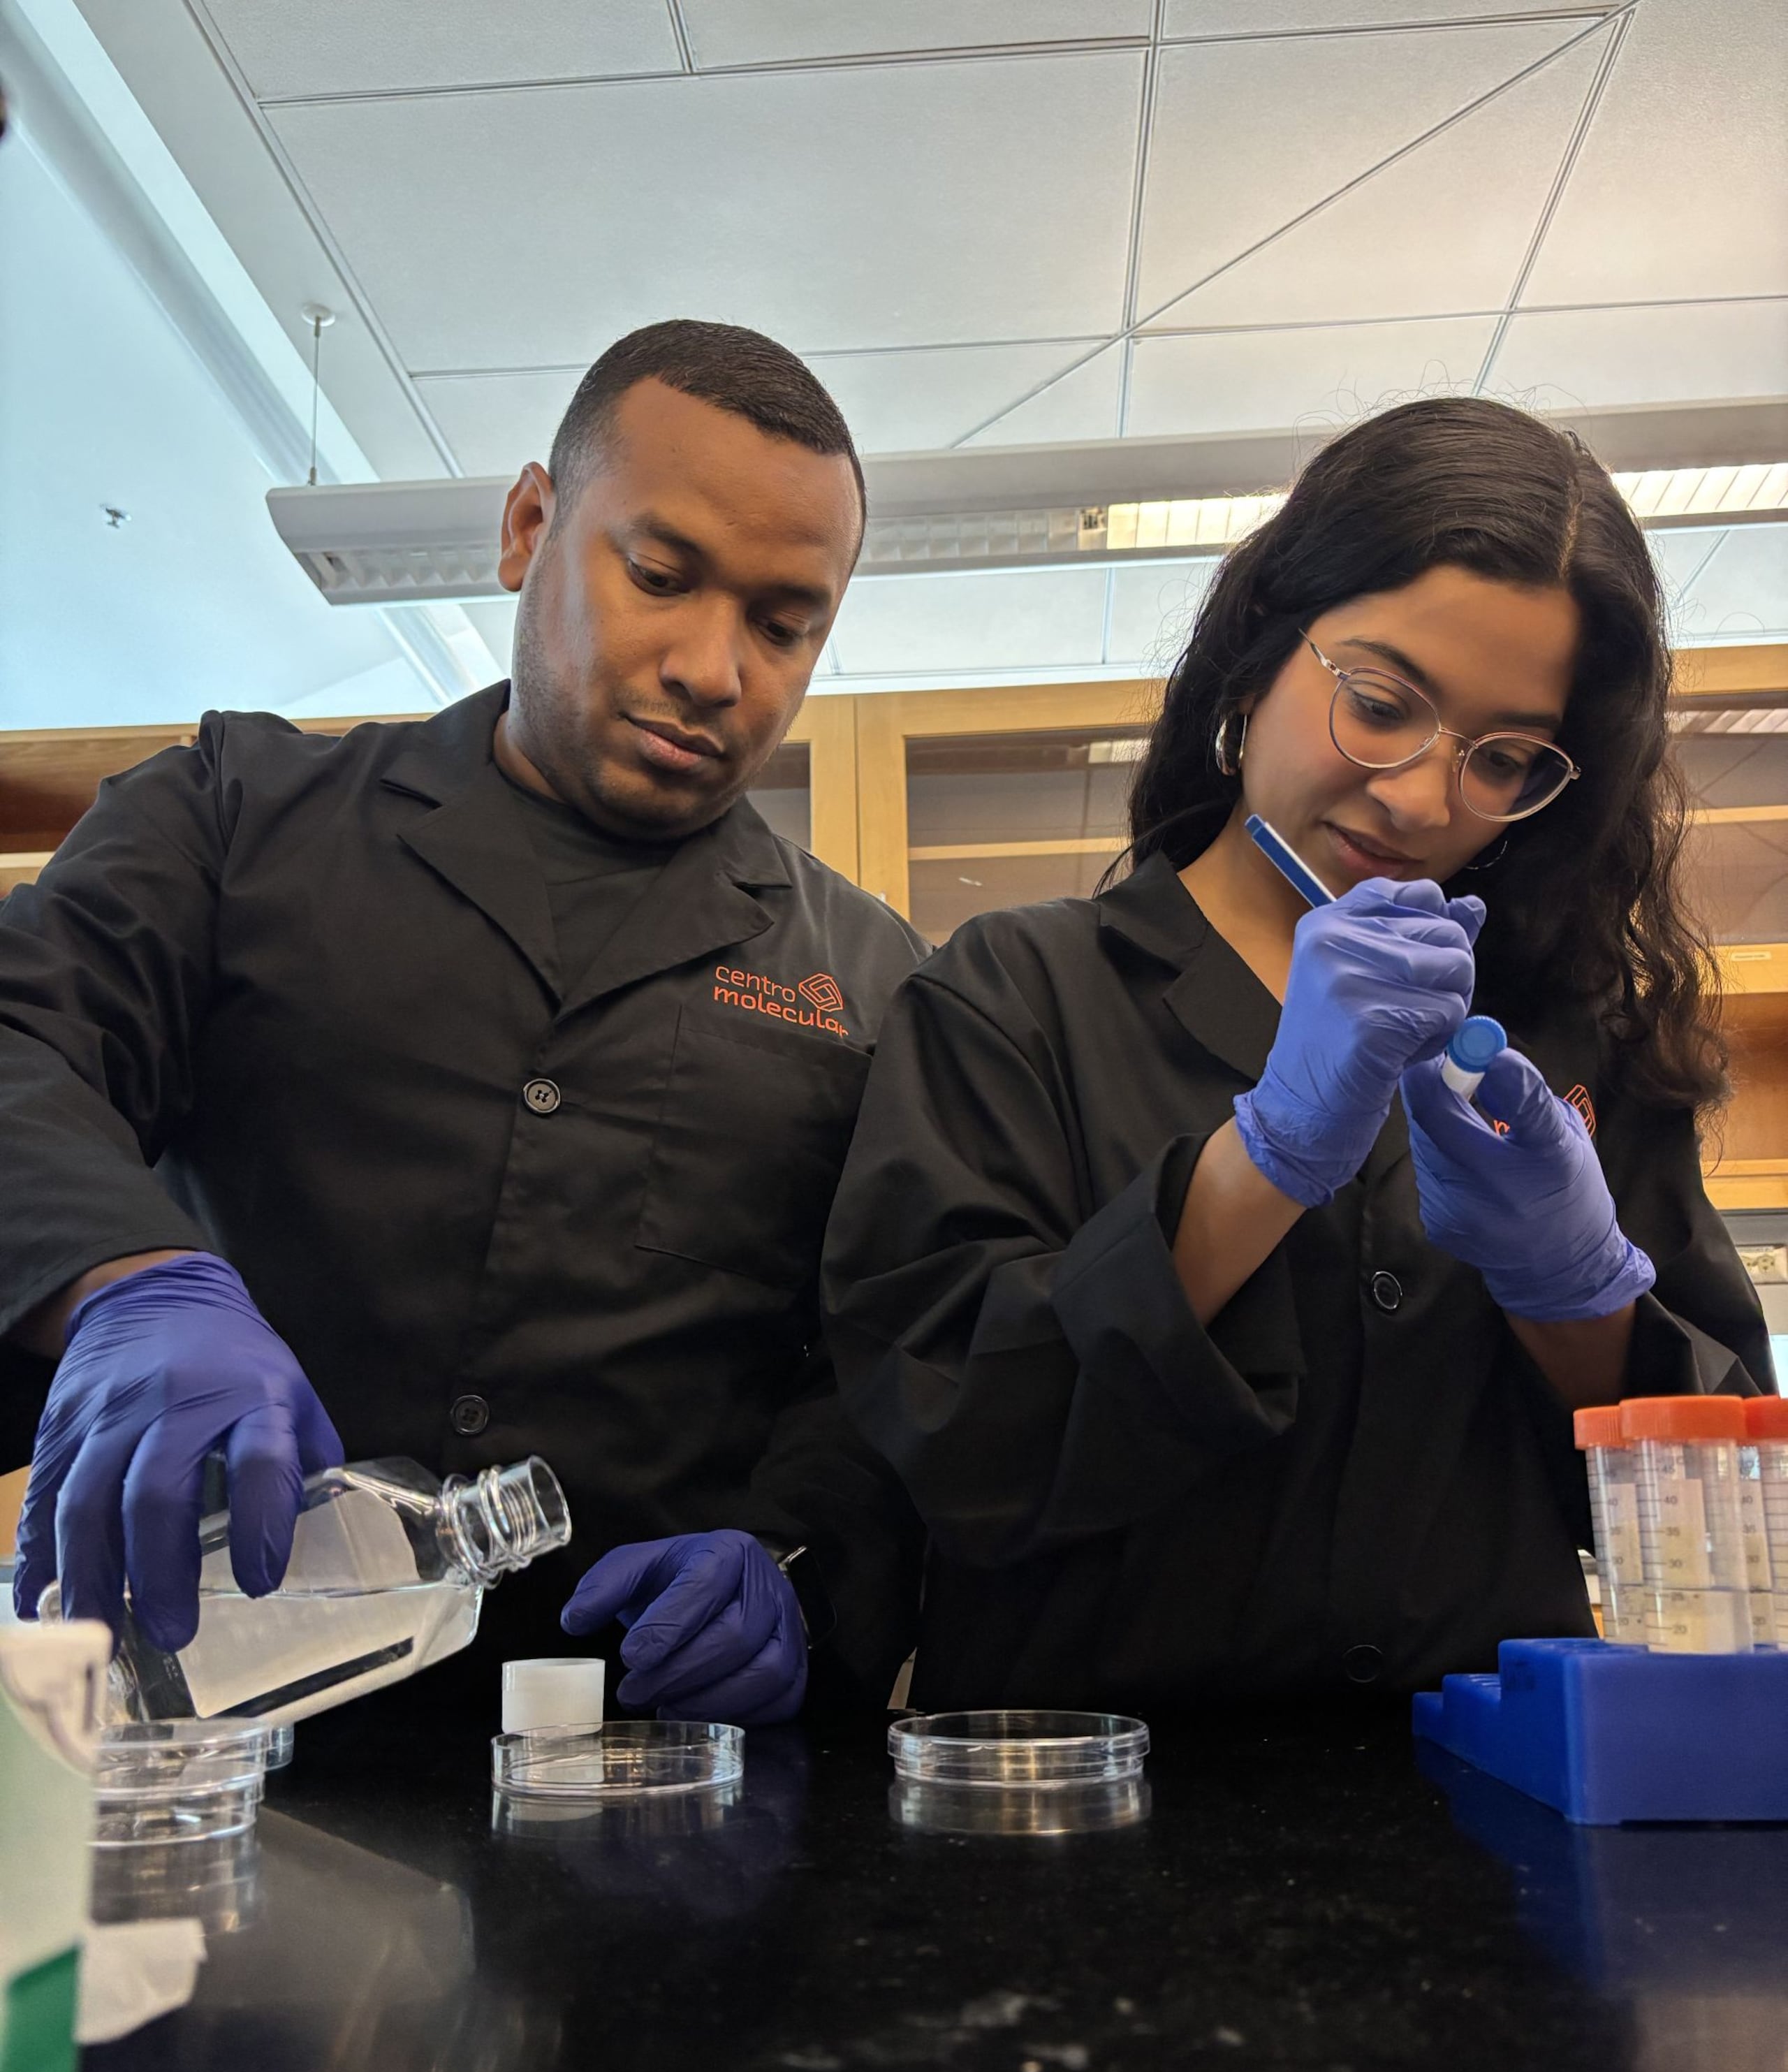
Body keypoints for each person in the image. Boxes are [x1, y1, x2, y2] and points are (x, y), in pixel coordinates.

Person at [1, 318, 928, 1723]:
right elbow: (23, 1038)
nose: (713, 667)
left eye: (782, 624)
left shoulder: (866, 976)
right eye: (661, 576)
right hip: (217, 1738)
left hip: (642, 1775)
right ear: (528, 525)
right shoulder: (237, 819)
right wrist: (128, 1281)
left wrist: (796, 1565)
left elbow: (888, 1357)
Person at [821, 397, 1770, 1713]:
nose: (1424, 799)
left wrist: (1579, 1298)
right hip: (1080, 1845)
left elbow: (1719, 1538)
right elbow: (958, 1449)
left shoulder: (1566, 1034)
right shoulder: (1014, 994)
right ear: (1260, 648)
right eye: (1381, 703)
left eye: (1504, 759)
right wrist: (1256, 1165)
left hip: (1490, 1843)